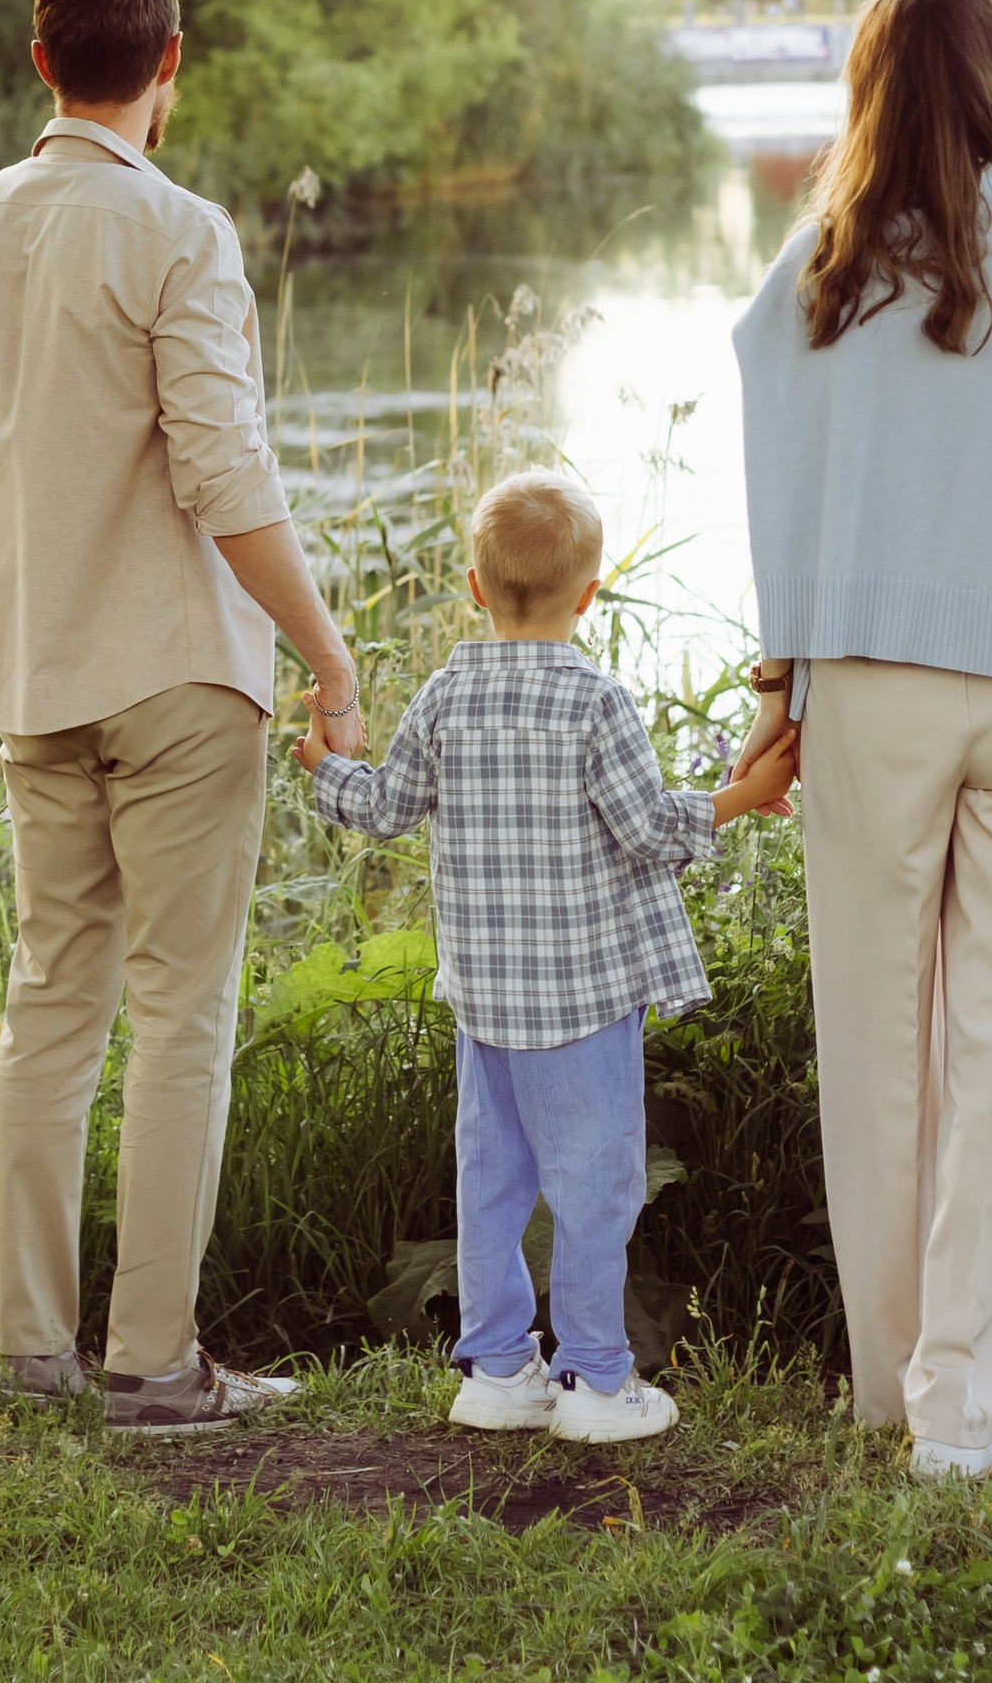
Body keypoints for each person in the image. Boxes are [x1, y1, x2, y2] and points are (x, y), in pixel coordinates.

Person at [0, 0, 365, 1436]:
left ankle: (30, 1350)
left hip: (32, 675)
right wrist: (326, 651)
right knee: (179, 1011)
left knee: (50, 1003)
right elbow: (222, 468)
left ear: (42, 63)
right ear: (167, 66)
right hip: (175, 673)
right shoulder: (181, 232)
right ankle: (154, 1365)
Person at [725, 0, 992, 1482]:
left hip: (867, 699)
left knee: (877, 1054)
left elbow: (778, 510)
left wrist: (772, 698)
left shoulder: (809, 280)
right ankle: (962, 1417)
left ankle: (889, 1389)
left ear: (872, 93)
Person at [300, 470, 800, 1444]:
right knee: (595, 1184)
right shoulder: (596, 701)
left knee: (489, 1180)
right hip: (583, 1003)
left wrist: (324, 767)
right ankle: (596, 1381)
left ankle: (494, 1370)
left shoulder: (446, 693)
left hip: (484, 1002)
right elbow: (648, 829)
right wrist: (743, 795)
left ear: (477, 589)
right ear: (588, 593)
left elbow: (387, 807)